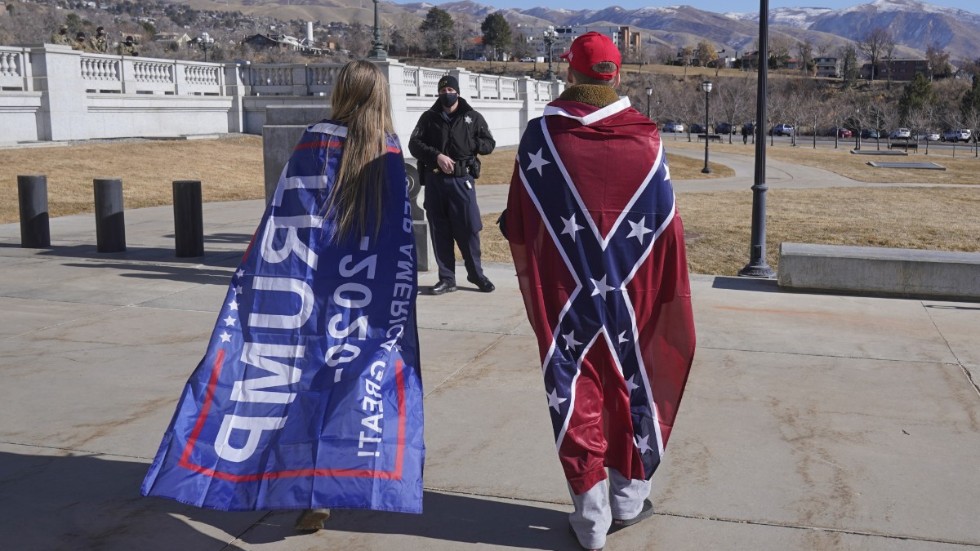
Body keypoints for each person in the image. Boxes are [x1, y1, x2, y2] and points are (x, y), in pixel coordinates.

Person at [141, 60, 425, 528]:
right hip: (362, 298)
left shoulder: (314, 141)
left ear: (342, 92)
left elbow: (285, 218)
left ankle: (287, 482)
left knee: (294, 382)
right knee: (348, 389)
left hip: (304, 289)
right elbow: (398, 236)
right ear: (381, 97)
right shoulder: (388, 151)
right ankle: (327, 486)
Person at [503, 32, 696, 551]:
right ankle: (629, 499)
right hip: (631, 296)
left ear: (571, 72)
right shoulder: (648, 138)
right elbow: (667, 233)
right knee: (632, 380)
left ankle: (591, 519)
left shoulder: (540, 138)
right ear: (617, 73)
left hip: (564, 294)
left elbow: (516, 223)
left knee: (574, 388)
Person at [409, 74, 496, 295]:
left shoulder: (472, 117)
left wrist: (471, 143)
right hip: (435, 181)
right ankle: (447, 279)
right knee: (440, 230)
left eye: (450, 91)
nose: (447, 95)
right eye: (442, 91)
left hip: (461, 181)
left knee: (468, 229)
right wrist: (436, 155)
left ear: (457, 92)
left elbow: (489, 143)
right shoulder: (429, 118)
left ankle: (476, 273)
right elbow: (414, 144)